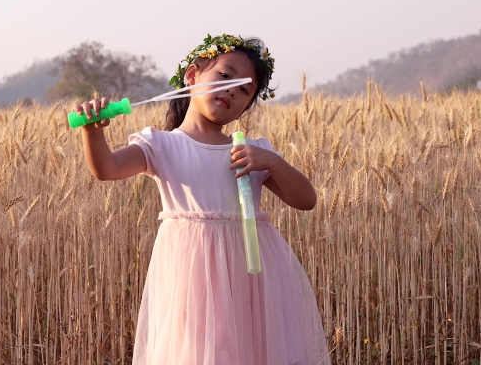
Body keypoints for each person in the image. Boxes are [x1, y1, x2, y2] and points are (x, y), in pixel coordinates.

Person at [74, 34, 329, 364]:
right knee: (196, 351)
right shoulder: (163, 146)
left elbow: (306, 199)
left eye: (244, 91)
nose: (232, 92)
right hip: (191, 277)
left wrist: (273, 162)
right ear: (192, 76)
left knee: (249, 349)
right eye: (225, 77)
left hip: (250, 278)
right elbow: (106, 168)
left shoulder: (250, 151)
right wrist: (92, 132)